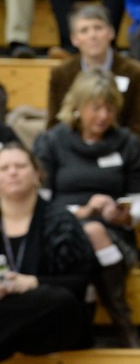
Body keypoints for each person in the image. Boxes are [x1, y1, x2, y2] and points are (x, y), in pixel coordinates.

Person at [33, 68, 140, 348]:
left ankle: (83, 325)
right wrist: (82, 212)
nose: (103, 116)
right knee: (91, 230)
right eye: (95, 107)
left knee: (97, 231)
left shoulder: (127, 144)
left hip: (115, 235)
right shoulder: (52, 141)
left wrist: (126, 215)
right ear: (76, 106)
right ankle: (122, 322)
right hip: (59, 228)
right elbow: (41, 201)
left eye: (109, 108)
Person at [0, 142, 95, 360]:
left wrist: (33, 283)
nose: (13, 172)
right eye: (4, 168)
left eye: (20, 166)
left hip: (51, 324)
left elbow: (80, 284)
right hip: (7, 323)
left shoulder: (61, 221)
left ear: (37, 174)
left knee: (57, 299)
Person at [47, 4, 140, 138]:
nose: (93, 35)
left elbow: (138, 126)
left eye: (98, 28)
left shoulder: (136, 72)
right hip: (72, 151)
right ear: (74, 39)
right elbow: (53, 124)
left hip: (121, 150)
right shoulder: (60, 73)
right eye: (84, 30)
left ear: (111, 32)